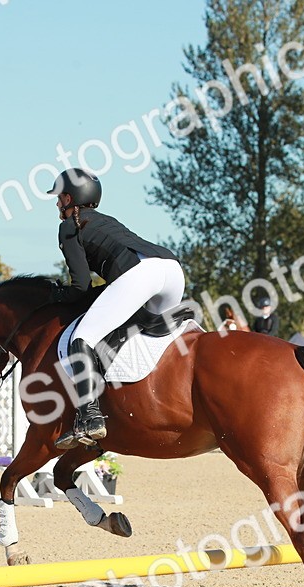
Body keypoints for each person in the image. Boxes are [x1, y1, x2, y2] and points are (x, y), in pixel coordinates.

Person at [47, 168, 186, 449]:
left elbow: (81, 287)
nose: (57, 203)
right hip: (172, 270)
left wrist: (55, 296)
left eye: (59, 197)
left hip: (141, 276)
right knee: (124, 332)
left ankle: (90, 416)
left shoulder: (69, 226)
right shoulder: (104, 220)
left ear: (70, 197)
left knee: (81, 338)